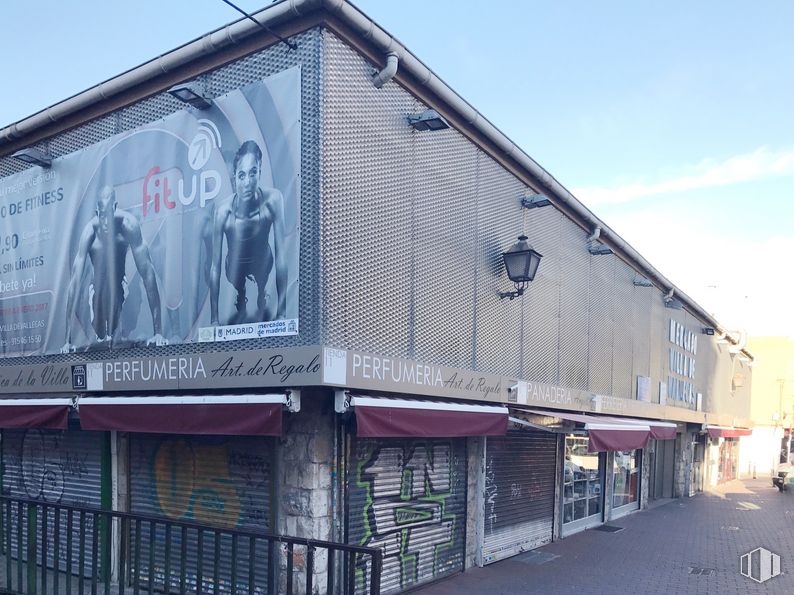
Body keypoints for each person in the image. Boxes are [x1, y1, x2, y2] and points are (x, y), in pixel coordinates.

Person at [61, 186, 166, 351]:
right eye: (102, 216)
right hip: (97, 290)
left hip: (121, 286)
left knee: (120, 336)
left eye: (109, 215)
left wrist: (158, 332)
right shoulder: (89, 233)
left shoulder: (128, 225)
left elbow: (148, 274)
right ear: (97, 213)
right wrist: (67, 341)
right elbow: (75, 283)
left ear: (115, 208)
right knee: (101, 334)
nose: (106, 222)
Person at [209, 140, 287, 325]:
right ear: (234, 177)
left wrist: (282, 313)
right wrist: (214, 320)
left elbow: (281, 257)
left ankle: (261, 294)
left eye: (253, 173)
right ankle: (241, 291)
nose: (247, 182)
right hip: (234, 267)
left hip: (263, 262)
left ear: (260, 172)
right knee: (235, 276)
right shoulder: (223, 212)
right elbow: (215, 266)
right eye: (242, 175)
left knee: (265, 272)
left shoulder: (273, 201)